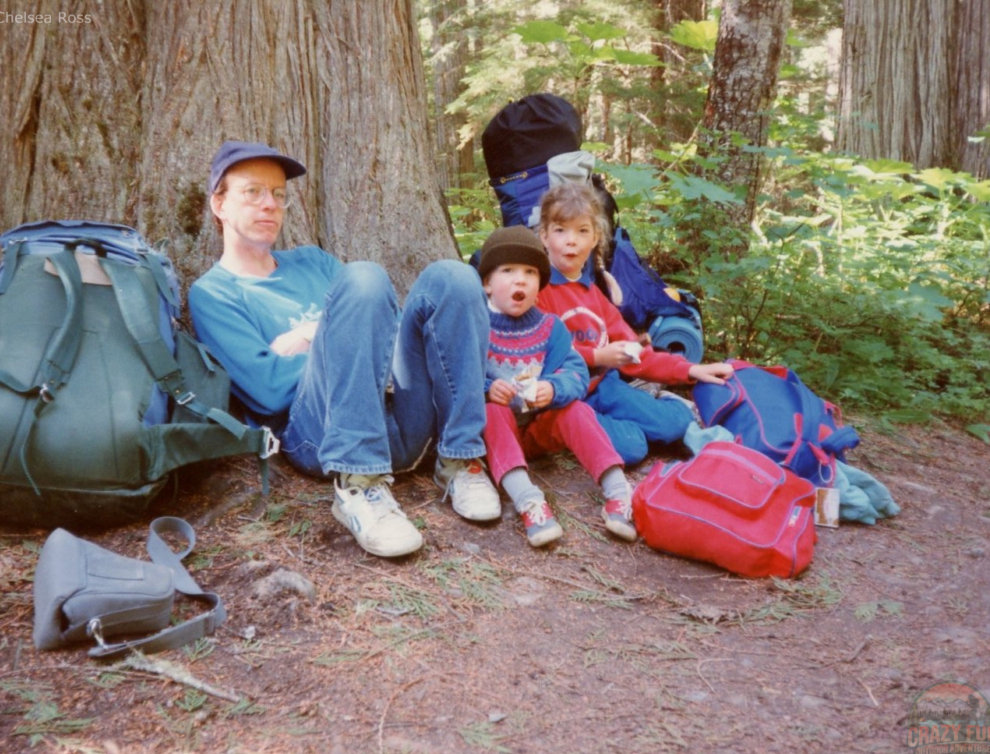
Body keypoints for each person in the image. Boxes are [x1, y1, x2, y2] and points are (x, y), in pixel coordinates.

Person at [189, 140, 501, 559]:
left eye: (279, 194)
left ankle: (460, 459)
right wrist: (342, 339)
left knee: (454, 277)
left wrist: (312, 334)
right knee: (364, 277)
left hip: (397, 424)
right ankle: (360, 490)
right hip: (321, 438)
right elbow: (269, 390)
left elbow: (377, 326)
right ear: (220, 204)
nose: (270, 205)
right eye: (253, 192)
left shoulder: (312, 261)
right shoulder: (214, 293)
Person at [535, 183, 734, 465]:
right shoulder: (538, 292)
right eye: (560, 230)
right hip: (567, 400)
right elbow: (539, 353)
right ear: (544, 236)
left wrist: (690, 369)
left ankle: (666, 416)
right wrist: (597, 356)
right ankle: (642, 430)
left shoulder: (595, 295)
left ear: (595, 239)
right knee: (631, 449)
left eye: (582, 231)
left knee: (674, 423)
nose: (571, 241)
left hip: (606, 388)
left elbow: (637, 356)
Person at [477, 226, 637, 546]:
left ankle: (619, 492)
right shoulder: (476, 325)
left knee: (575, 409)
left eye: (530, 272)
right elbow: (455, 373)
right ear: (486, 284)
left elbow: (576, 373)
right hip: (493, 436)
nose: (520, 279)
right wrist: (486, 387)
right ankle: (529, 502)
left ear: (540, 284)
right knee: (493, 412)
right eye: (507, 271)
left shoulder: (551, 327)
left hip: (537, 431)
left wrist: (553, 387)